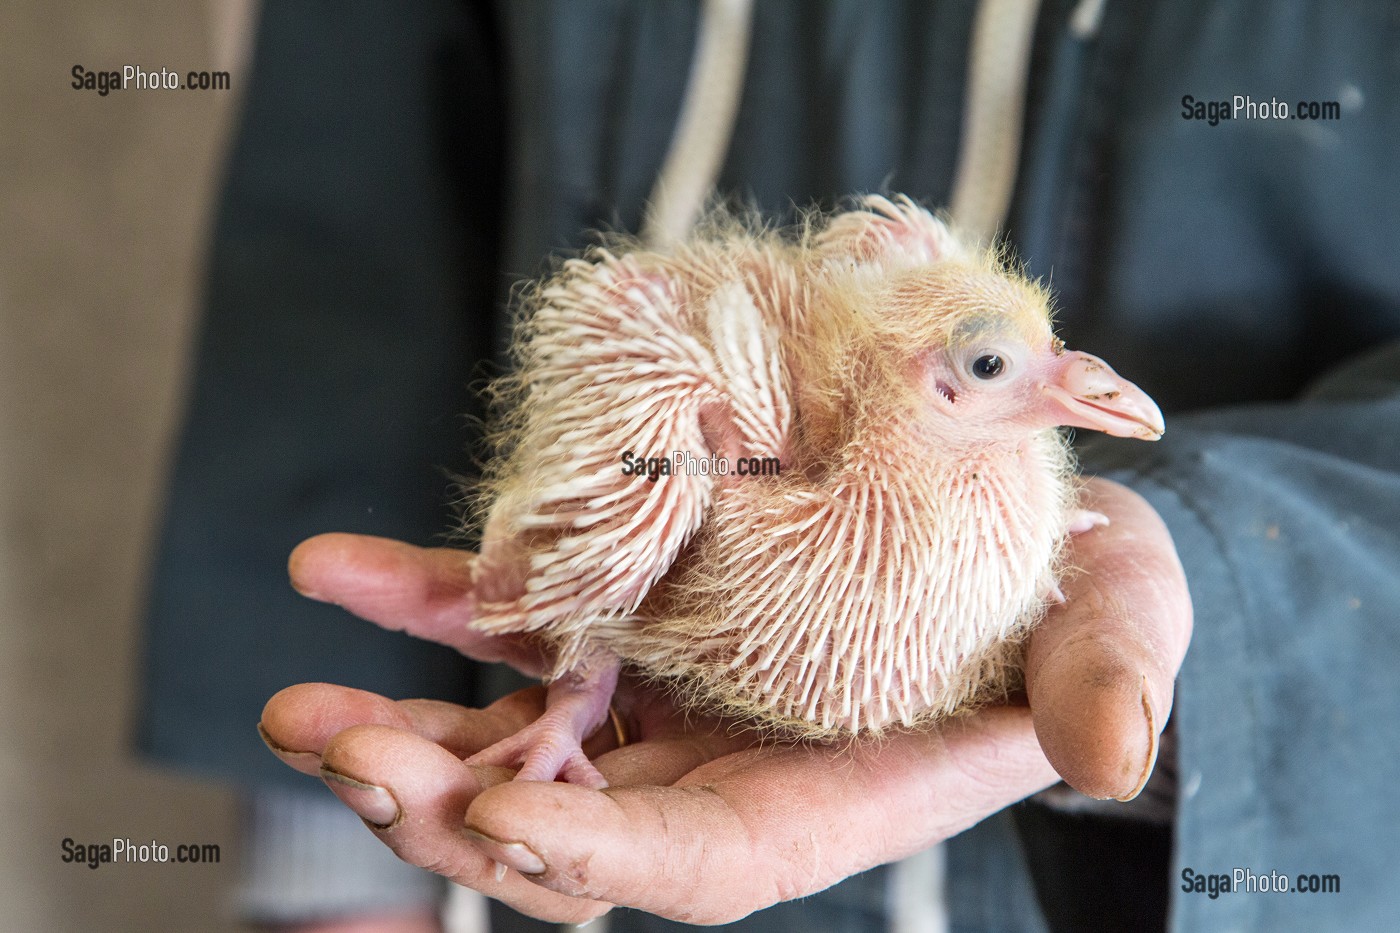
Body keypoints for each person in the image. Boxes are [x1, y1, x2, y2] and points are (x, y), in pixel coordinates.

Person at [147, 1, 1400, 930]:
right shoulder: (689, 435)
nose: (1087, 391)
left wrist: (1216, 571)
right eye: (989, 373)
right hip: (539, 843)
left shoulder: (1023, 484)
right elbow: (346, 250)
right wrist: (334, 872)